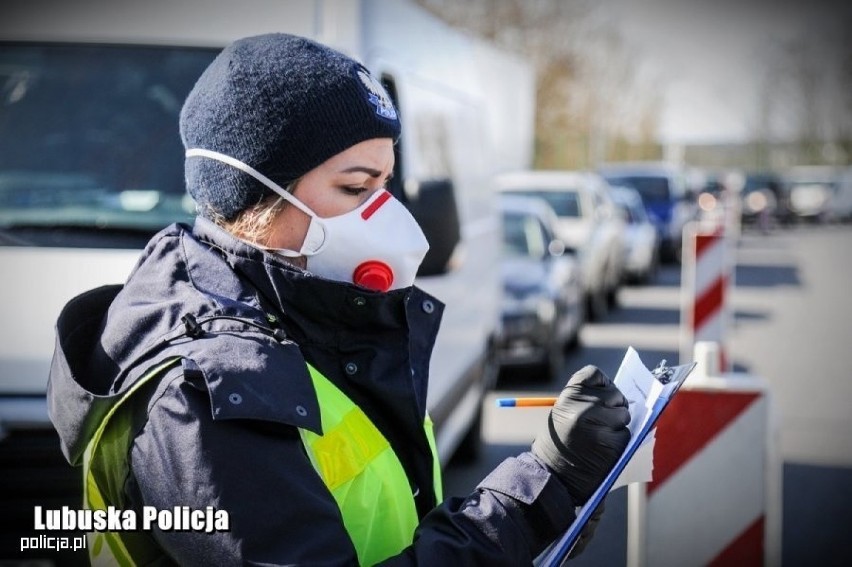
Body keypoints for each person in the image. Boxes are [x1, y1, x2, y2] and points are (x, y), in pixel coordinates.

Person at [47, 33, 630, 565]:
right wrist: (537, 495)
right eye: (355, 188)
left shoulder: (306, 316)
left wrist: (554, 505)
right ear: (253, 195)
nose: (384, 213)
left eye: (385, 185)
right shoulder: (205, 393)